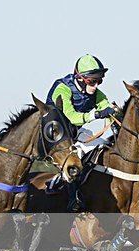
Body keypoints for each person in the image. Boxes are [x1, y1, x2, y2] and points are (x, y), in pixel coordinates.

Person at [46, 54, 118, 211]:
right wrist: (96, 114)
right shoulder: (62, 89)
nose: (96, 86)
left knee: (104, 147)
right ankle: (69, 193)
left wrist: (115, 113)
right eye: (92, 81)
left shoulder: (95, 93)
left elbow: (106, 106)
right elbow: (71, 116)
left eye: (99, 81)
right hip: (56, 135)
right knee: (76, 155)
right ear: (80, 78)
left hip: (74, 132)